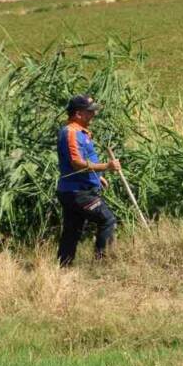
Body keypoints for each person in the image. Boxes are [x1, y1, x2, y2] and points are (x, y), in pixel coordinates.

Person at [56, 94, 120, 267]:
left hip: (75, 189)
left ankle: (63, 266)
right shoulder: (70, 132)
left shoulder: (81, 133)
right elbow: (76, 163)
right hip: (78, 192)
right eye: (89, 112)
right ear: (78, 114)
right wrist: (107, 166)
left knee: (72, 229)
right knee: (107, 219)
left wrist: (98, 177)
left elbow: (84, 160)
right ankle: (101, 263)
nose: (93, 115)